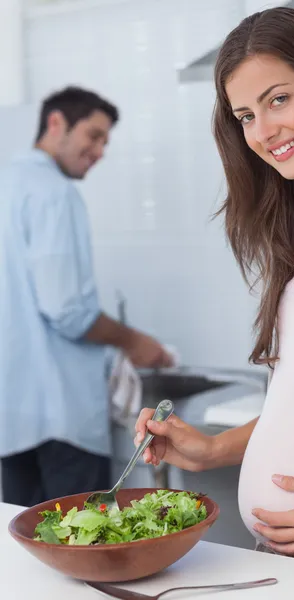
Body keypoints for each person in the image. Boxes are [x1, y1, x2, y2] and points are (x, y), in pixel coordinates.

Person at [135, 7, 294, 574]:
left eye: (278, 99)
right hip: (290, 565)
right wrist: (211, 449)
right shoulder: (293, 234)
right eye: (245, 115)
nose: (264, 131)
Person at [0, 86, 173, 507]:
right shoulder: (56, 193)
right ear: (56, 122)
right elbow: (68, 312)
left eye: (105, 142)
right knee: (80, 547)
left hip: (12, 416)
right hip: (62, 417)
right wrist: (136, 343)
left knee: (28, 547)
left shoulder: (7, 181)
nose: (99, 151)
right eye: (93, 136)